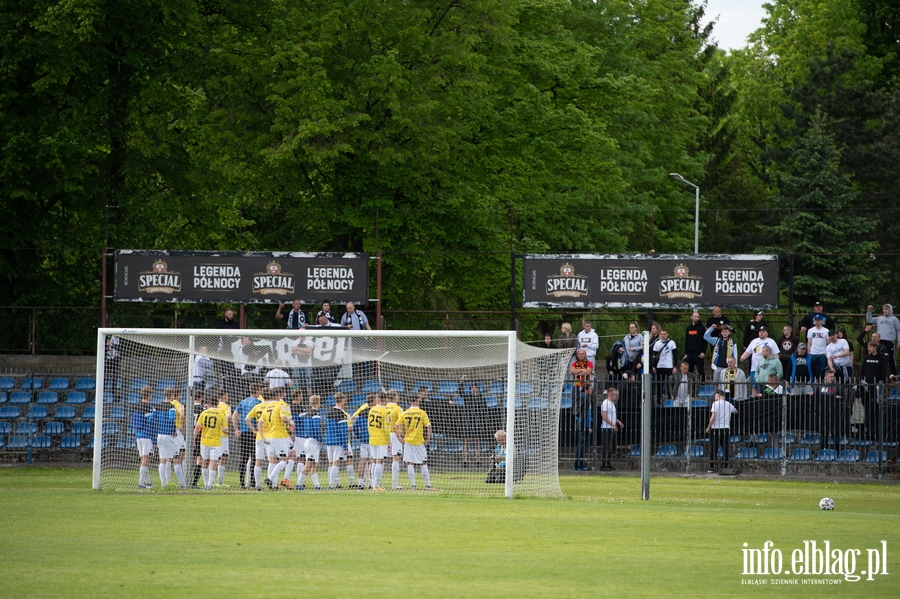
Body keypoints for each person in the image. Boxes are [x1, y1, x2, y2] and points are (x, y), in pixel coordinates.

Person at [255, 386, 295, 490]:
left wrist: (263, 436)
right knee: (284, 460)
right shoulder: (280, 405)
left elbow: (260, 423)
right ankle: (270, 478)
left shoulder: (267, 407)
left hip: (269, 437)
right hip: (279, 436)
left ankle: (273, 485)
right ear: (278, 395)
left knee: (272, 461)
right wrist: (290, 423)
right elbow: (283, 418)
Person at [399, 393, 434, 490]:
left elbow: (397, 425)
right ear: (418, 401)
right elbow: (429, 427)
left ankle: (413, 486)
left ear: (409, 401)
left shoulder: (405, 413)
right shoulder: (422, 413)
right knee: (423, 463)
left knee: (410, 463)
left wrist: (400, 436)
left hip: (408, 440)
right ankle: (428, 486)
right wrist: (428, 438)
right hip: (419, 441)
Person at [194, 395, 229, 490]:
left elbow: (197, 428)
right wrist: (222, 429)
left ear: (209, 404)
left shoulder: (204, 413)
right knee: (213, 464)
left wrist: (193, 440)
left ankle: (205, 484)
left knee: (204, 462)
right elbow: (226, 430)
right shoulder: (221, 414)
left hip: (204, 441)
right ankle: (209, 485)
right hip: (216, 442)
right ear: (217, 403)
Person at [233, 382, 263, 489]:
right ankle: (253, 482)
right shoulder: (258, 402)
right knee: (255, 457)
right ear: (257, 391)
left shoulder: (243, 401)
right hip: (253, 431)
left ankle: (242, 483)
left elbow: (235, 415)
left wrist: (237, 429)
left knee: (244, 457)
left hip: (243, 432)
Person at [152, 389, 182, 488]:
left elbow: (152, 419)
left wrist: (155, 432)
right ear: (172, 395)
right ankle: (182, 483)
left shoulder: (157, 406)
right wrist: (173, 431)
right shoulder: (171, 407)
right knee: (176, 458)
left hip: (159, 435)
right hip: (168, 435)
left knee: (162, 460)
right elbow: (171, 419)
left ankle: (163, 484)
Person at [569, 349, 593, 471]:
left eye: (583, 354)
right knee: (582, 443)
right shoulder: (574, 363)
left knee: (583, 443)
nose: (582, 355)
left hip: (583, 385)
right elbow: (572, 371)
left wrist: (581, 372)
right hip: (577, 387)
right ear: (578, 355)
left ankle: (579, 464)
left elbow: (588, 371)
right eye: (580, 354)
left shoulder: (589, 363)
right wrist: (581, 371)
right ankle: (578, 464)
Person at [324, 392, 354, 489]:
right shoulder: (341, 414)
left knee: (331, 463)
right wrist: (345, 447)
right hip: (337, 441)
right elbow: (343, 431)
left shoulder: (329, 412)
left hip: (329, 441)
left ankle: (333, 483)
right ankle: (332, 485)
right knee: (335, 462)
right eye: (344, 400)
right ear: (342, 400)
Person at [296, 394, 323, 491]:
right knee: (308, 464)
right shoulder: (316, 414)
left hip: (307, 440)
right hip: (312, 441)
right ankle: (299, 484)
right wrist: (320, 439)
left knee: (314, 465)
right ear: (318, 403)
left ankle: (317, 485)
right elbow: (316, 428)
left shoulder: (307, 414)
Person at [706, 390, 737, 473]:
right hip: (726, 428)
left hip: (716, 428)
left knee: (714, 448)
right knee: (725, 448)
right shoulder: (729, 404)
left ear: (719, 395)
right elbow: (736, 411)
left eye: (715, 396)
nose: (714, 398)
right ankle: (725, 465)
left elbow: (713, 417)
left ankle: (711, 467)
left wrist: (708, 426)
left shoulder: (715, 404)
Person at [349, 394, 377, 489]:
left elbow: (355, 427)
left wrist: (359, 437)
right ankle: (371, 483)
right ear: (373, 401)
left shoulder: (361, 412)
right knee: (372, 462)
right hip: (373, 440)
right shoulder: (375, 412)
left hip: (363, 441)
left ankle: (361, 483)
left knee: (362, 461)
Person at [365, 393, 392, 490]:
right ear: (386, 400)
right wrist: (389, 441)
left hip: (372, 438)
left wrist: (371, 434)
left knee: (374, 461)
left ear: (378, 399)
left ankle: (373, 484)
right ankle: (377, 485)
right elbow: (387, 428)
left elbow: (368, 425)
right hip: (381, 439)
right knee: (379, 461)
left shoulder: (372, 409)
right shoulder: (386, 411)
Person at [131, 386, 156, 489]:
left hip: (138, 435)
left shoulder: (136, 406)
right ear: (149, 395)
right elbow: (150, 424)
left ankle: (148, 482)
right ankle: (141, 483)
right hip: (146, 435)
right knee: (146, 459)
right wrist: (154, 440)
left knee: (143, 458)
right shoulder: (148, 408)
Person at [866, 304, 900, 376]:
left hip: (889, 341)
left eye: (887, 309)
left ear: (890, 310)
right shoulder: (879, 318)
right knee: (879, 357)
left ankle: (894, 374)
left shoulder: (894, 319)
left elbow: (898, 331)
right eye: (884, 309)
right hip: (880, 341)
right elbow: (869, 320)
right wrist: (869, 311)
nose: (885, 311)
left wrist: (899, 342)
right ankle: (879, 374)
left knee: (891, 358)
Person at [385, 389, 405, 489]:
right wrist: (401, 434)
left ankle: (375, 483)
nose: (398, 397)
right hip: (395, 434)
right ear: (395, 397)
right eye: (397, 395)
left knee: (380, 459)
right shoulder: (398, 408)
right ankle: (394, 483)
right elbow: (402, 421)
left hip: (385, 435)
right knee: (396, 457)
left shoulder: (384, 407)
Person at [599, 387, 622, 471]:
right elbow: (604, 416)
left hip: (611, 427)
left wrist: (618, 421)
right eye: (615, 394)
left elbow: (611, 416)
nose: (616, 396)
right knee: (606, 446)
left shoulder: (612, 403)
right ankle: (603, 464)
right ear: (610, 394)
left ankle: (608, 462)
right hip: (607, 427)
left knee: (611, 446)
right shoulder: (605, 403)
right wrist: (613, 424)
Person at [651, 327, 677, 403]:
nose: (663, 336)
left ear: (667, 334)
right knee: (659, 384)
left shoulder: (672, 343)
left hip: (669, 366)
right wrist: (653, 366)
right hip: (659, 366)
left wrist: (675, 366)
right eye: (661, 334)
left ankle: (670, 400)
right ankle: (659, 401)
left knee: (670, 384)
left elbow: (675, 356)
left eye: (664, 334)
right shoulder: (657, 343)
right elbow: (654, 355)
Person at [683, 311, 707, 380]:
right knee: (689, 371)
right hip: (690, 353)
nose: (697, 318)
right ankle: (689, 386)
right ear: (691, 317)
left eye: (698, 317)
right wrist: (686, 353)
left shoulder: (702, 328)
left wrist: (703, 352)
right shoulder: (688, 328)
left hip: (698, 354)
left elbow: (705, 341)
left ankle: (702, 387)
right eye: (695, 317)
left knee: (700, 371)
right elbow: (686, 341)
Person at [805, 315, 830, 380]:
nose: (817, 321)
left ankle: (821, 381)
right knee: (812, 369)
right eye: (816, 320)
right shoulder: (810, 330)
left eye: (818, 320)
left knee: (822, 369)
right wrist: (808, 352)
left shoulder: (826, 331)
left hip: (822, 353)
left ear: (821, 321)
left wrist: (827, 352)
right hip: (813, 353)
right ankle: (813, 381)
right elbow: (809, 342)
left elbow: (828, 343)